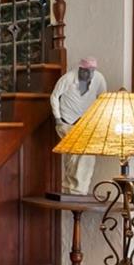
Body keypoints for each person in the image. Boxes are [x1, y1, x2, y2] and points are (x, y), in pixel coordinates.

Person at [51, 56, 102, 195]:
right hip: (67, 122)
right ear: (80, 69)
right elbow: (54, 96)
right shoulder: (67, 79)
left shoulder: (99, 79)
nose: (89, 74)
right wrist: (58, 118)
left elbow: (102, 98)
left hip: (86, 124)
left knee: (86, 155)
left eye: (92, 71)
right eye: (86, 71)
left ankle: (79, 190)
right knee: (72, 156)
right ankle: (70, 188)